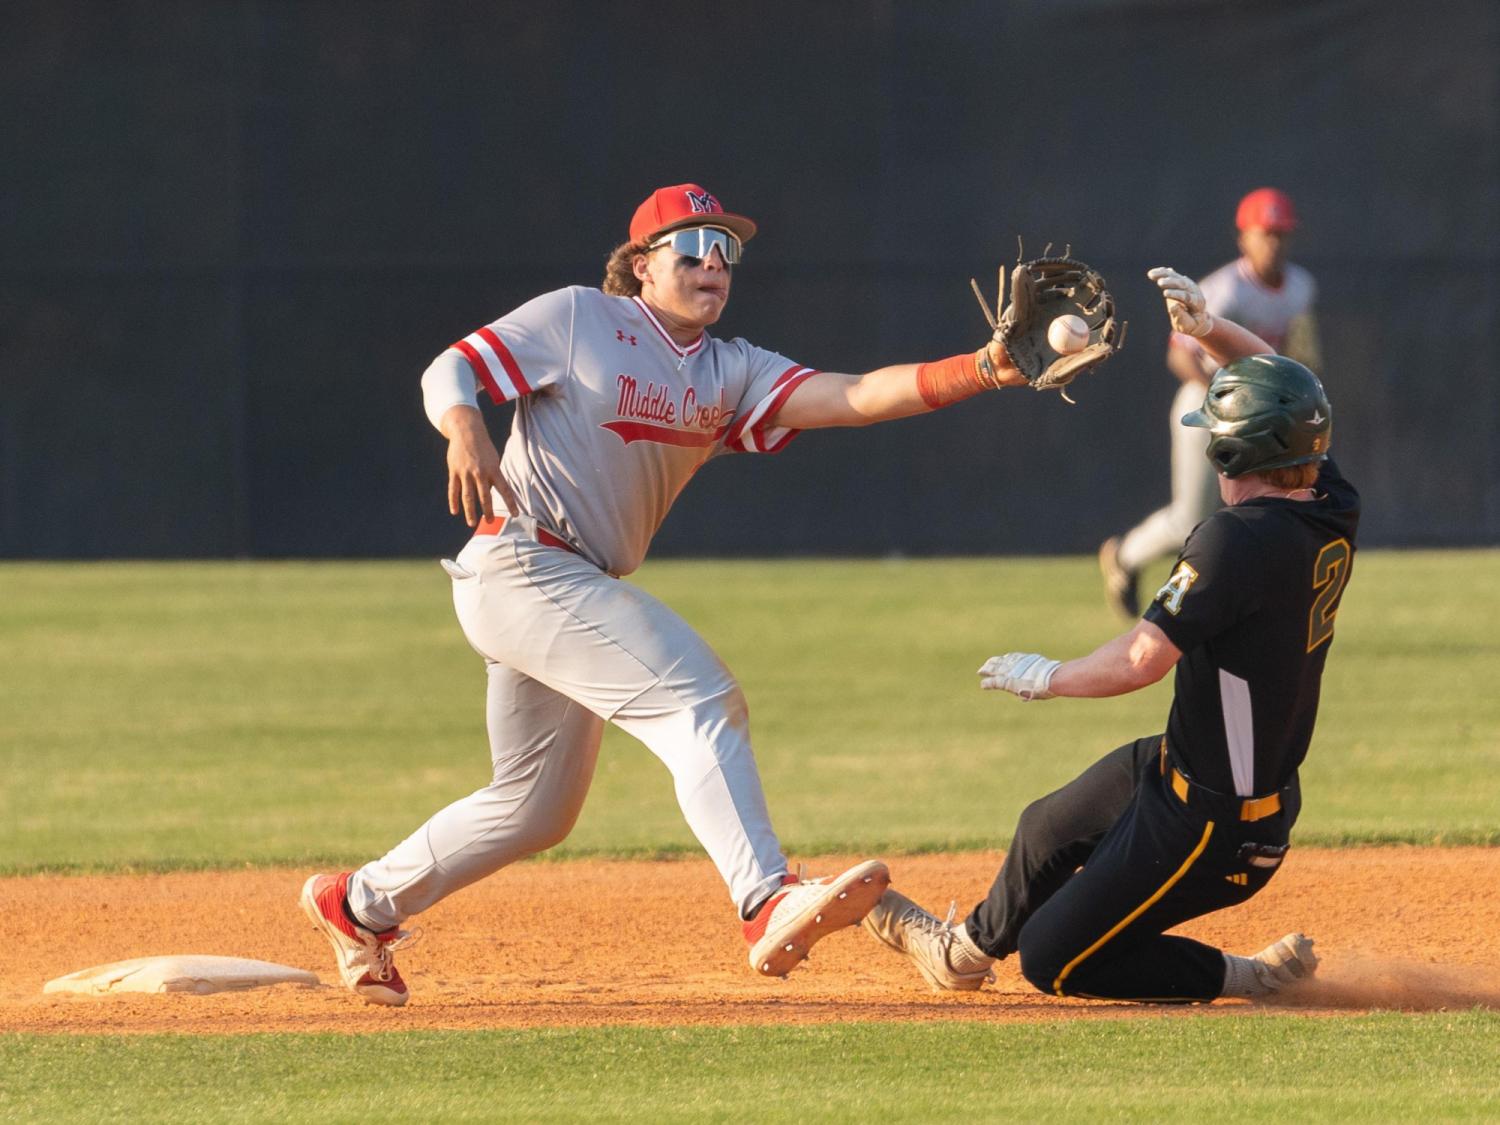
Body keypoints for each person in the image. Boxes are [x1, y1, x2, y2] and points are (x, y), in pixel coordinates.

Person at [299, 183, 1047, 1005]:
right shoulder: (583, 317)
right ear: (642, 264)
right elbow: (453, 366)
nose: (712, 265)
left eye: (725, 251)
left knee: (535, 806)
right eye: (690, 249)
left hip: (566, 580)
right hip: (524, 561)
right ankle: (766, 900)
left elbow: (856, 394)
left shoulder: (728, 370)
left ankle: (359, 904)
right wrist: (465, 424)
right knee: (700, 696)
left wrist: (982, 369)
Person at [862, 265, 1357, 1004]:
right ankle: (959, 954)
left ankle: (1245, 975)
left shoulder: (1236, 542)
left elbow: (1140, 659)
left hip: (1216, 824)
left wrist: (1046, 675)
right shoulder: (1326, 499)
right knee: (1046, 829)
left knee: (1054, 957)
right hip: (1189, 770)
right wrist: (1208, 329)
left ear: (1230, 455)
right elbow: (1288, 388)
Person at [1099, 188, 1322, 618]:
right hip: (1205, 409)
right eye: (1266, 233)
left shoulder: (1300, 288)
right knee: (1191, 519)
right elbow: (1178, 354)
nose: (1274, 242)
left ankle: (1259, 603)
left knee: (1275, 505)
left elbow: (1302, 355)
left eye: (1281, 234)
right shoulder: (1222, 290)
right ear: (1245, 238)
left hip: (1265, 414)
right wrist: (1225, 394)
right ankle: (1126, 557)